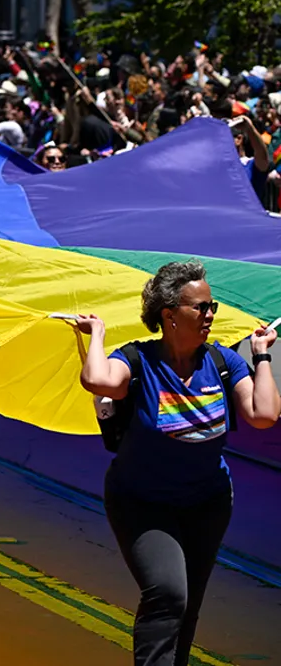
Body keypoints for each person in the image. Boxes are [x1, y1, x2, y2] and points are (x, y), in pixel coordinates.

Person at [72, 261, 280, 666]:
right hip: (142, 502)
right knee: (168, 593)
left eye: (212, 306)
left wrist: (262, 357)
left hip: (207, 502)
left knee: (186, 606)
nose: (210, 315)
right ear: (169, 315)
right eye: (200, 307)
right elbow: (98, 380)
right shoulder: (139, 360)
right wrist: (96, 334)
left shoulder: (223, 362)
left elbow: (264, 414)